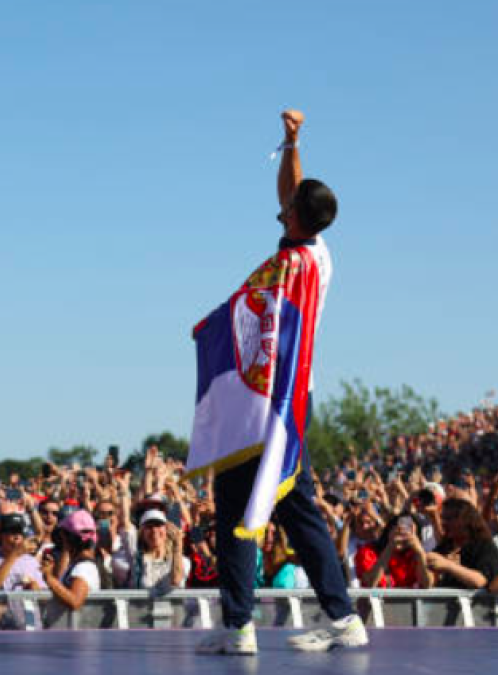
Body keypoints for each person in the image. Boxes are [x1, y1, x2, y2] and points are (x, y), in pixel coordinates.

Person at [195, 110, 368, 655]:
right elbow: (294, 187)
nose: (281, 204)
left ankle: (239, 627)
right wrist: (292, 143)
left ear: (293, 216)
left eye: (287, 205)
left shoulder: (295, 262)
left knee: (235, 503)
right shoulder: (317, 255)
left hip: (264, 396)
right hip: (291, 397)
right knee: (296, 507)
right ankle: (342, 617)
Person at [426, 498, 498, 589]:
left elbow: (480, 581)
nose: (443, 523)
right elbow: (428, 582)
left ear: (465, 521)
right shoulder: (447, 546)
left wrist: (448, 565)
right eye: (442, 518)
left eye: (449, 519)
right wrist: (419, 553)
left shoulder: (483, 547)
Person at [41, 510, 100, 628]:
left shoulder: (84, 567)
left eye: (63, 537)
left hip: (75, 639)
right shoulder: (78, 565)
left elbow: (75, 601)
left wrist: (48, 578)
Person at [355, 513, 432, 589]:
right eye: (399, 528)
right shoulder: (368, 552)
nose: (403, 533)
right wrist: (390, 547)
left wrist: (420, 552)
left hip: (407, 601)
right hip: (375, 600)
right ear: (389, 530)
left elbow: (427, 584)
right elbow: (370, 584)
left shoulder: (416, 556)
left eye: (409, 530)